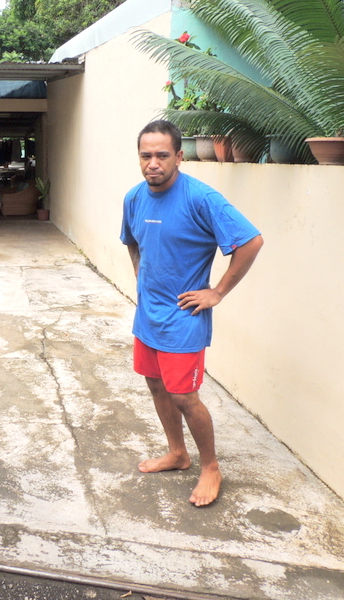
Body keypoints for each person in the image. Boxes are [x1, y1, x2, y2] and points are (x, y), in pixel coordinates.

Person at [121, 120, 263, 507]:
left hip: (183, 317)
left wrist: (217, 292)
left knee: (184, 395)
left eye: (162, 155)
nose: (153, 163)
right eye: (146, 155)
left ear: (179, 157)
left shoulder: (201, 198)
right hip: (148, 315)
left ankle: (211, 467)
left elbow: (251, 241)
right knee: (155, 385)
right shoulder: (134, 198)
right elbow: (132, 241)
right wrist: (140, 275)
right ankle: (177, 453)